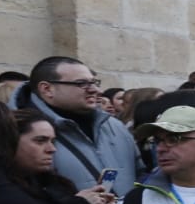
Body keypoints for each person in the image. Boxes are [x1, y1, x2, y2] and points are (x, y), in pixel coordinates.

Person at [13, 56, 141, 195]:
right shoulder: (17, 131)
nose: (96, 90)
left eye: (94, 82)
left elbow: (140, 174)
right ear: (47, 89)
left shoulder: (115, 126)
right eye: (81, 83)